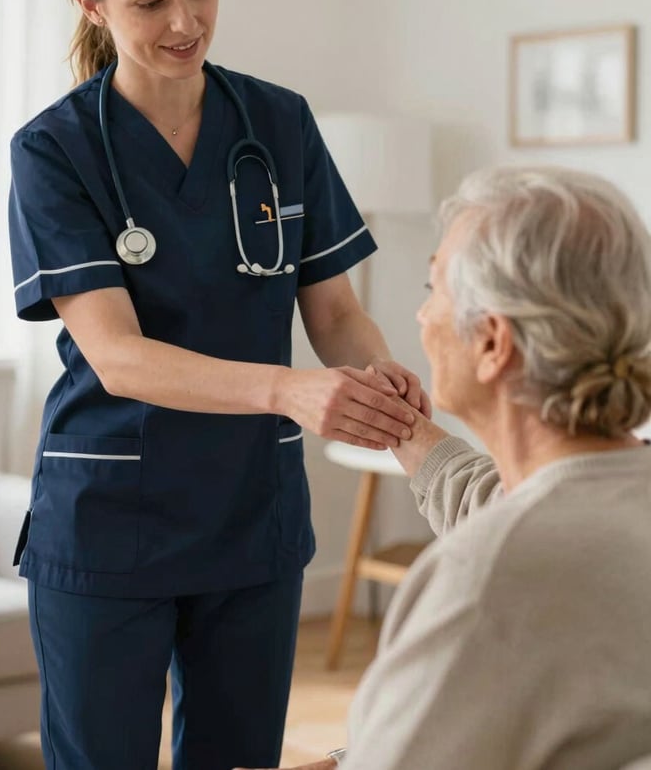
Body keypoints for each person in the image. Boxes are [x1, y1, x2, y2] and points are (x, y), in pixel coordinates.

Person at [7, 0, 428, 769]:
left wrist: (379, 382)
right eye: (150, 1)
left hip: (251, 513)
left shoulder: (278, 122)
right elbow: (117, 357)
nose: (186, 21)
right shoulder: (54, 150)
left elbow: (336, 311)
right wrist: (288, 391)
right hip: (112, 519)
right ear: (88, 1)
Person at [239, 166, 651, 770]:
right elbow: (503, 506)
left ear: (492, 344)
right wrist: (403, 427)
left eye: (434, 289)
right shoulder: (608, 503)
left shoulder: (486, 578)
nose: (421, 317)